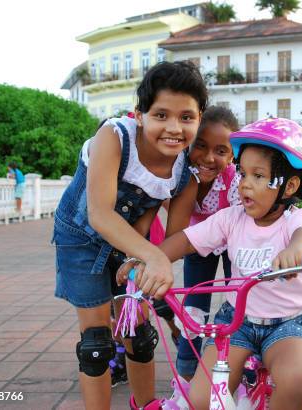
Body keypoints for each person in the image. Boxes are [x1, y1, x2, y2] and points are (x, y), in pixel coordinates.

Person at [119, 117, 302, 410]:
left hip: (287, 323)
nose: (245, 184)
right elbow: (187, 240)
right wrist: (148, 258)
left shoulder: (296, 222)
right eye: (242, 173)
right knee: (201, 399)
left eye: (259, 176)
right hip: (236, 323)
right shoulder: (232, 217)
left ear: (289, 186)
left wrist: (296, 249)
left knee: (298, 377)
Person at [52, 61, 207, 410]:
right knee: (96, 345)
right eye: (161, 115)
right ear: (140, 115)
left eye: (186, 117)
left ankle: (146, 404)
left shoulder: (185, 176)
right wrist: (150, 256)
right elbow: (101, 214)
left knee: (139, 332)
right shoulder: (114, 136)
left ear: (199, 118)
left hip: (130, 244)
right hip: (81, 238)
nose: (173, 127)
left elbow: (170, 237)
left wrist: (143, 256)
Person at [175, 105, 241, 380]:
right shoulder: (179, 174)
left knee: (237, 300)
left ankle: (238, 361)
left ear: (233, 154)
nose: (209, 157)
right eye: (201, 146)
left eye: (221, 151)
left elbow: (243, 223)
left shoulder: (235, 180)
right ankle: (186, 372)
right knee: (193, 302)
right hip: (197, 242)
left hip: (231, 243)